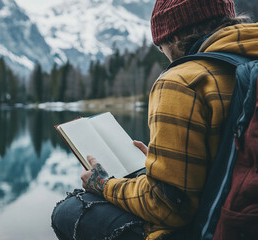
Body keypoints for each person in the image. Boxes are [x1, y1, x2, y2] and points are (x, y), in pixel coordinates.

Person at [51, 0, 258, 239]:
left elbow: (168, 206)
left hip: (212, 230)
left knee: (69, 211)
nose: (167, 57)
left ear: (175, 37)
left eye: (162, 47)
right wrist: (170, 161)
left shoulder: (184, 80)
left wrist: (104, 185)